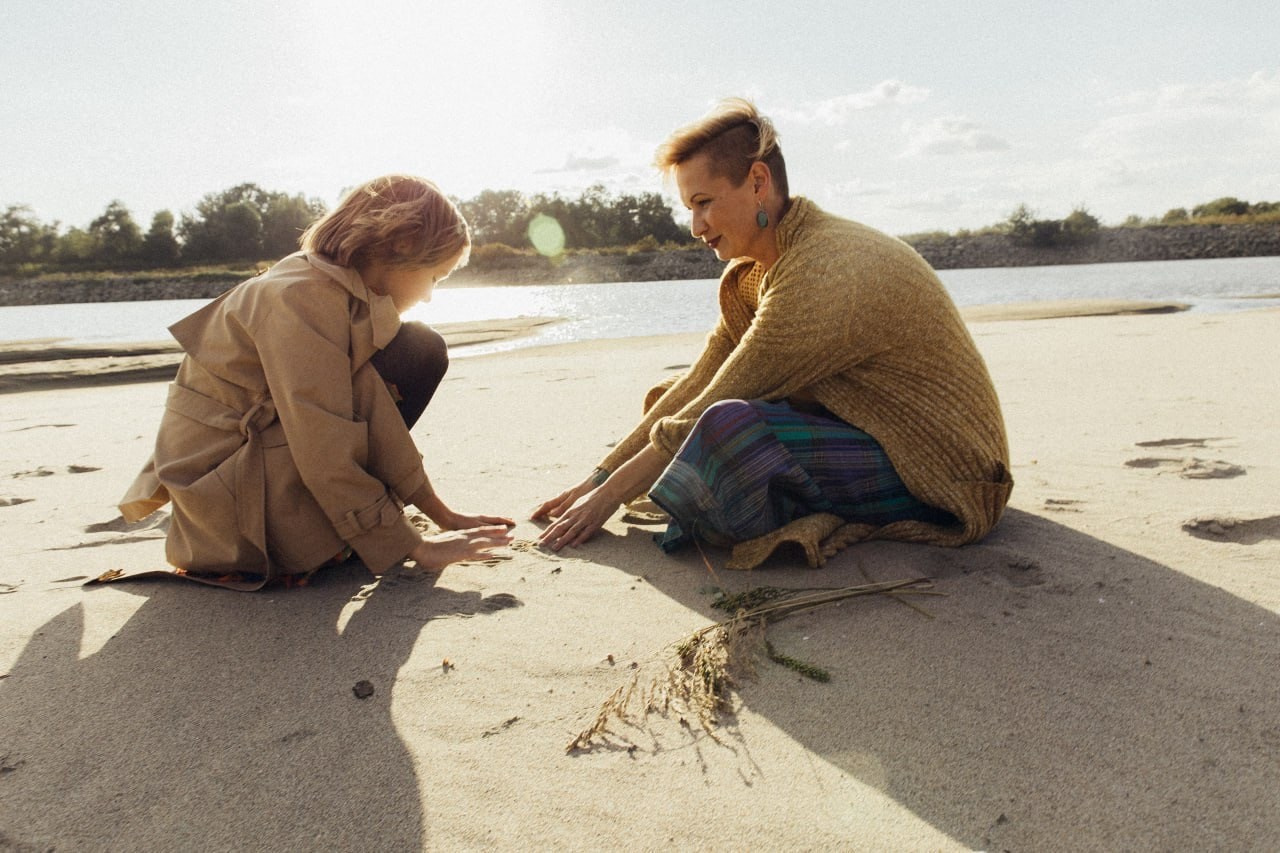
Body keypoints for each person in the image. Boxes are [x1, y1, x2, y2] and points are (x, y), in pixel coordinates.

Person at [534, 99, 1011, 569]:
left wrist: (611, 494)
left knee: (725, 429)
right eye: (689, 209)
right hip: (869, 434)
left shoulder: (826, 268)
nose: (696, 227)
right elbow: (700, 380)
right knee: (676, 405)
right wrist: (598, 476)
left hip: (943, 472)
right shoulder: (756, 273)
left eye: (704, 203)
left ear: (758, 182)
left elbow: (723, 394)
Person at [111, 174, 513, 590]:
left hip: (252, 467)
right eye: (435, 276)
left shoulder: (334, 290)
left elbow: (367, 406)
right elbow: (323, 440)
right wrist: (413, 546)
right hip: (229, 515)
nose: (430, 295)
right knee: (416, 350)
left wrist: (440, 514)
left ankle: (349, 524)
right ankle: (339, 532)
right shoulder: (301, 298)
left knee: (417, 348)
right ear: (403, 244)